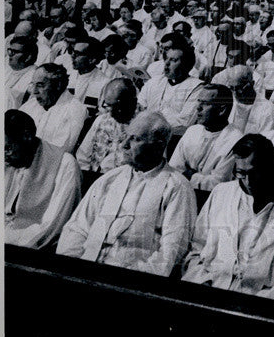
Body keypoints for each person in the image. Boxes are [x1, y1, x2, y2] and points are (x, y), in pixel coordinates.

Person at [57, 110, 197, 276]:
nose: (124, 145)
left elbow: (172, 250)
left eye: (136, 139)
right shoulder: (110, 178)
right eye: (126, 136)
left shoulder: (176, 187)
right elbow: (77, 227)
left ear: (159, 144)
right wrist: (70, 266)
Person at [182, 133, 274, 303]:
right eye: (241, 174)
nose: (249, 182)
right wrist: (202, 285)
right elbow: (195, 251)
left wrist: (259, 302)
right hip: (210, 295)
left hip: (263, 305)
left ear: (270, 167)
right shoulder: (221, 193)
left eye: (256, 173)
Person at [5, 109, 81, 248]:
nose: (2, 155)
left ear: (27, 137)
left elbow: (52, 227)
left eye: (8, 148)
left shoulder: (64, 165)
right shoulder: (7, 159)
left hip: (28, 249)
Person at [169, 84, 242, 191]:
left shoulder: (236, 139)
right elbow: (173, 169)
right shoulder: (192, 131)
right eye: (198, 101)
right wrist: (201, 178)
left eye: (205, 103)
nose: (198, 108)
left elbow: (218, 183)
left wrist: (190, 175)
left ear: (222, 110)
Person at [137, 37, 202, 136]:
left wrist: (149, 119)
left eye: (173, 60)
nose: (166, 63)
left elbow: (184, 123)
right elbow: (140, 107)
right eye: (166, 59)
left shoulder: (196, 88)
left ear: (185, 64)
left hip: (173, 139)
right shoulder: (154, 82)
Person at [75, 77, 138, 175]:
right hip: (94, 177)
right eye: (107, 105)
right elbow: (82, 156)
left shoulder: (143, 125)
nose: (109, 111)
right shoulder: (102, 120)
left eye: (115, 106)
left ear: (129, 104)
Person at [20, 64, 88, 154]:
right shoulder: (31, 104)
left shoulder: (75, 109)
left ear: (58, 85)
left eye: (40, 85)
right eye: (33, 85)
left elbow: (60, 150)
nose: (34, 91)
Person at [228, 65, 274, 134]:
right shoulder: (229, 103)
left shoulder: (267, 109)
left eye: (239, 88)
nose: (235, 93)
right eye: (232, 88)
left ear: (252, 84)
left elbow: (267, 139)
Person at [5, 35, 39, 108]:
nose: (10, 55)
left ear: (27, 57)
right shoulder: (7, 69)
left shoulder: (35, 77)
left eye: (14, 52)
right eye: (10, 50)